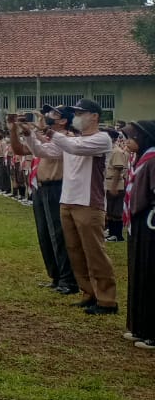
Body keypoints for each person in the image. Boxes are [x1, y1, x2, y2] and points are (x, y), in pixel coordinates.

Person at [44, 99, 118, 315]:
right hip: (68, 200)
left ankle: (107, 300)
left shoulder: (101, 139)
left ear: (94, 116)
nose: (76, 116)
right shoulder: (73, 141)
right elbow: (44, 151)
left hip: (88, 203)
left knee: (94, 252)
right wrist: (28, 133)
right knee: (75, 251)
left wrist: (48, 131)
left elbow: (74, 148)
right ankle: (89, 293)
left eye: (80, 112)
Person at [11, 106, 78, 295]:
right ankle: (56, 276)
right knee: (45, 234)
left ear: (64, 120)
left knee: (59, 234)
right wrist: (15, 130)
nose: (47, 116)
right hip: (41, 188)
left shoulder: (68, 139)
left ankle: (68, 279)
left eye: (53, 114)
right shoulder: (47, 137)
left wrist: (34, 131)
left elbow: (42, 151)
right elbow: (20, 149)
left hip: (57, 187)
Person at [121, 121, 155, 348]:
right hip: (138, 221)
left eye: (132, 137)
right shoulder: (141, 160)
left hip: (150, 222)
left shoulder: (152, 160)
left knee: (149, 274)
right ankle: (138, 326)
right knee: (138, 272)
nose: (127, 140)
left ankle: (151, 331)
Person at [104, 128, 128, 242]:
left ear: (112, 138)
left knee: (115, 211)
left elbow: (118, 169)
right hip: (108, 183)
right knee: (109, 210)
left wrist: (114, 186)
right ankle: (111, 232)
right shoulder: (109, 150)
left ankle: (117, 235)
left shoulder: (117, 151)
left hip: (116, 184)